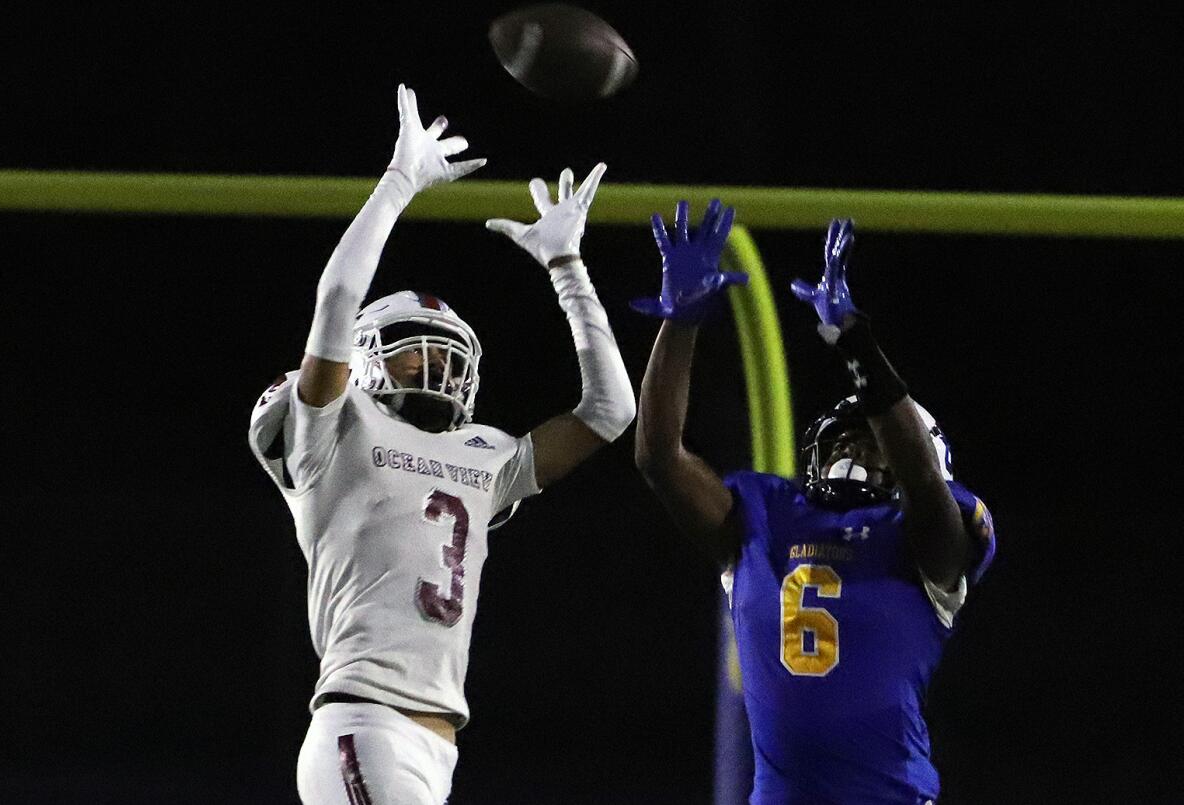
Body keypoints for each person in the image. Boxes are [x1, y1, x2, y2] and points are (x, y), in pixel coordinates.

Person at [248, 84, 635, 805]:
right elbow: (336, 302)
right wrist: (399, 184)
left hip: (435, 743)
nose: (433, 365)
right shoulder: (335, 429)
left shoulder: (479, 456)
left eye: (444, 355)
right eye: (409, 352)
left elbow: (610, 411)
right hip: (360, 723)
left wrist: (568, 269)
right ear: (363, 360)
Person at [631, 204, 996, 804]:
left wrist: (856, 342)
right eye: (847, 438)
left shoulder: (925, 538)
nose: (855, 450)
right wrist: (683, 320)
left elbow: (926, 487)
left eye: (874, 441)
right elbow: (658, 457)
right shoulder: (764, 516)